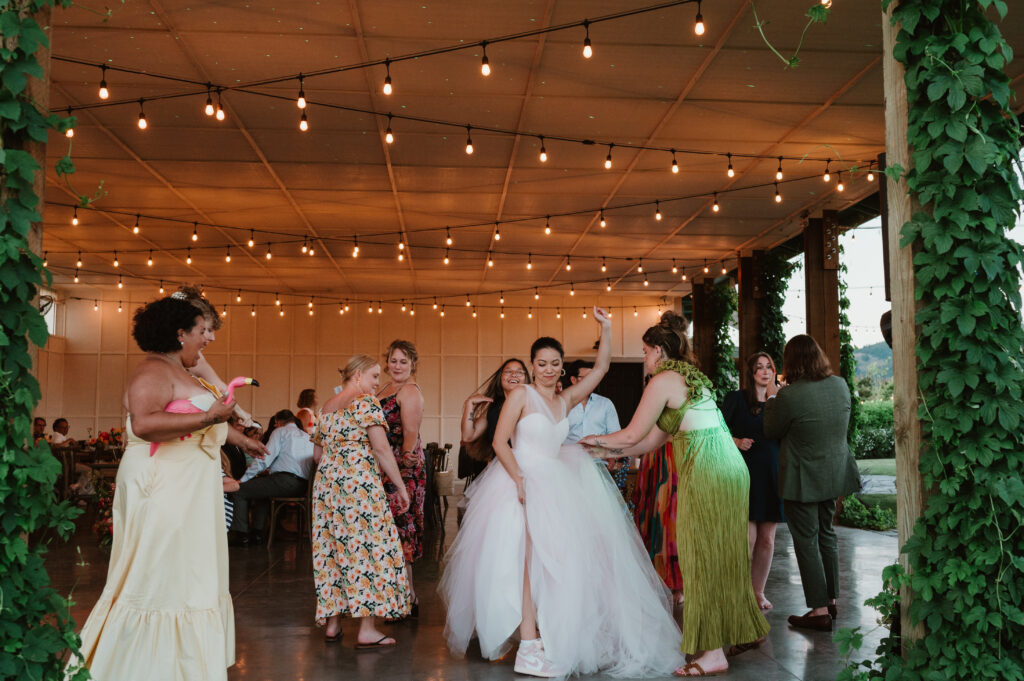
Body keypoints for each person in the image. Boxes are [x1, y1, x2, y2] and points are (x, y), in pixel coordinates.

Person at [441, 308, 683, 678]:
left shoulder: (564, 400)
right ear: (533, 365)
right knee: (521, 562)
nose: (549, 369)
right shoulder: (521, 395)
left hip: (555, 483)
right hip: (518, 481)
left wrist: (606, 327)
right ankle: (527, 642)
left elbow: (601, 370)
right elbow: (500, 441)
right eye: (542, 363)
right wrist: (519, 479)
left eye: (555, 363)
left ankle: (548, 634)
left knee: (557, 563)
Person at [71, 296, 267, 681]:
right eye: (201, 332)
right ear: (180, 334)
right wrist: (212, 413)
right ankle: (148, 666)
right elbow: (144, 423)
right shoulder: (152, 372)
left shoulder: (182, 371)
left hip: (189, 487)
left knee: (188, 576)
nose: (207, 339)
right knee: (161, 574)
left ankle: (184, 666)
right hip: (163, 486)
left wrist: (241, 439)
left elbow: (193, 417)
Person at [581, 311, 770, 677]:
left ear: (658, 351)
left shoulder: (662, 380)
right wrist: (601, 451)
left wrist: (593, 440)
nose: (643, 359)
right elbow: (651, 442)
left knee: (699, 556)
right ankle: (745, 630)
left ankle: (713, 652)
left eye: (645, 351)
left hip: (707, 468)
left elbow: (632, 435)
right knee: (725, 554)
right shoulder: (689, 378)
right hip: (729, 467)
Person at [763, 335, 861, 632]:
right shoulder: (840, 385)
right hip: (833, 473)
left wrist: (771, 397)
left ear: (791, 361)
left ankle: (818, 610)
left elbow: (771, 430)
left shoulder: (790, 395)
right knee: (827, 534)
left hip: (803, 478)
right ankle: (831, 600)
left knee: (806, 541)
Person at [312, 354, 411, 647]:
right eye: (374, 377)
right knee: (368, 549)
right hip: (359, 487)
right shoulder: (366, 403)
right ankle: (367, 629)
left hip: (327, 487)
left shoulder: (326, 408)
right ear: (357, 375)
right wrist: (401, 486)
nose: (377, 383)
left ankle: (332, 624)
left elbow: (317, 456)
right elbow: (381, 449)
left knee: (331, 549)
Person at [721, 352, 786, 612]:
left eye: (768, 366)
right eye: (758, 367)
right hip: (744, 473)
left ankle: (758, 592)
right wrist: (736, 442)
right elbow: (718, 430)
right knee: (746, 539)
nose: (764, 371)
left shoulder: (780, 401)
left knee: (767, 539)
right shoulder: (736, 399)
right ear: (751, 372)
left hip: (772, 474)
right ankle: (737, 592)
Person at [377, 340, 426, 616]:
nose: (397, 366)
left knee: (401, 529)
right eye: (394, 360)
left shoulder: (409, 391)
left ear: (412, 365)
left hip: (402, 467)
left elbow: (409, 432)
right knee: (387, 531)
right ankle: (392, 593)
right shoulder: (383, 388)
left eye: (403, 362)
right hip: (382, 463)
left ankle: (408, 596)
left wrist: (405, 464)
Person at [175, 286, 259, 429]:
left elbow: (220, 387)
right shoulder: (161, 365)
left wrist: (239, 411)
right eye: (206, 330)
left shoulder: (196, 358)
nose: (212, 337)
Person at [229, 409, 315, 546]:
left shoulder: (280, 432)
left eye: (275, 424)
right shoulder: (307, 436)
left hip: (284, 482)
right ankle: (257, 533)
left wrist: (243, 479)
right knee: (262, 491)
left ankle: (241, 535)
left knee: (239, 490)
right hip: (303, 486)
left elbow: (265, 459)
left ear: (278, 422)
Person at [632, 440, 684, 601]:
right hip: (653, 456)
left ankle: (676, 583)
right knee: (649, 515)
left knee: (671, 519)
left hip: (675, 455)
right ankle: (651, 578)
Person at [460, 358, 531, 470]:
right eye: (508, 371)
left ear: (526, 378)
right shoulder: (493, 407)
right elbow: (468, 436)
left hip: (527, 467)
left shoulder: (531, 405)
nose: (513, 375)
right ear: (500, 377)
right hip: (499, 470)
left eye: (519, 372)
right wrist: (469, 404)